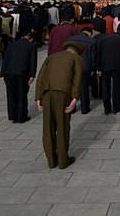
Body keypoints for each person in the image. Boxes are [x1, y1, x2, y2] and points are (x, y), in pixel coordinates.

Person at [35, 41, 83, 169]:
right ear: (77, 51)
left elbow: (40, 77)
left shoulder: (51, 57)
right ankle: (63, 160)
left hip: (47, 93)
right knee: (62, 127)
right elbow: (77, 80)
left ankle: (51, 160)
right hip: (63, 94)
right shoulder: (76, 58)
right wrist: (74, 99)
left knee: (48, 128)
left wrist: (38, 98)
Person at [0, 30, 37, 123]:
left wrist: (2, 73)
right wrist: (32, 75)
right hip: (22, 73)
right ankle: (21, 116)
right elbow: (33, 62)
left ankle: (13, 115)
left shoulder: (11, 45)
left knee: (11, 95)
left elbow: (6, 59)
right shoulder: (31, 46)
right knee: (22, 94)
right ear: (30, 38)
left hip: (9, 72)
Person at [96, 32, 120, 115]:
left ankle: (107, 108)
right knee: (117, 87)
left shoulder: (102, 40)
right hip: (118, 65)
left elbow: (98, 54)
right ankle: (116, 107)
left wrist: (98, 68)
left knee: (105, 87)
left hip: (105, 65)